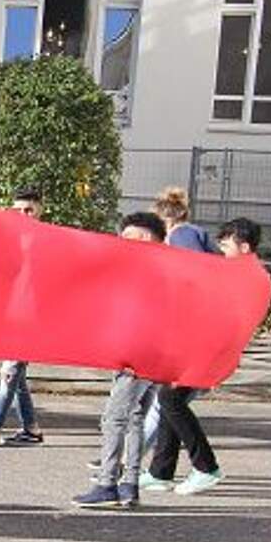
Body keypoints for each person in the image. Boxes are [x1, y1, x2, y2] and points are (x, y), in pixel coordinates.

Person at [139, 217, 257, 497]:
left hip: (208, 351)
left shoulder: (244, 276)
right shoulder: (235, 272)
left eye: (226, 245)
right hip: (201, 347)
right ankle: (160, 472)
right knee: (169, 398)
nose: (220, 250)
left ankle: (206, 467)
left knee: (170, 399)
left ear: (244, 247)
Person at [72, 211, 168, 508]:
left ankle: (107, 483)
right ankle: (129, 484)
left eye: (128, 236)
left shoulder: (144, 270)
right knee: (135, 418)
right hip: (154, 355)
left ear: (146, 237)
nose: (122, 241)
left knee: (114, 418)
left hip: (136, 355)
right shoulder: (167, 268)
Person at [0, 187, 46, 447]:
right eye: (18, 210)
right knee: (16, 375)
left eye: (29, 210)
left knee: (10, 371)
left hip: (31, 319)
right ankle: (31, 428)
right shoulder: (10, 239)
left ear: (40, 209)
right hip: (11, 315)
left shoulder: (46, 240)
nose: (23, 215)